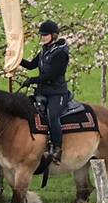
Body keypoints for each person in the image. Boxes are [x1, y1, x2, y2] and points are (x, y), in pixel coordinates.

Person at [20, 20, 72, 163]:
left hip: (57, 93)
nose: (42, 37)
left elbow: (52, 75)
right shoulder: (44, 50)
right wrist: (16, 59)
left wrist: (32, 80)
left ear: (54, 35)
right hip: (43, 91)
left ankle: (57, 148)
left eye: (45, 35)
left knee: (52, 115)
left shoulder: (61, 53)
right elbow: (31, 65)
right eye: (41, 35)